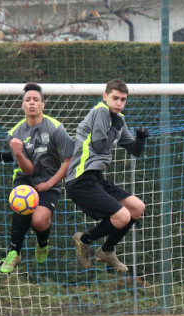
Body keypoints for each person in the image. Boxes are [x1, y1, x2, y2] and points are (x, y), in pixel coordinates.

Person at [65, 79, 149, 272]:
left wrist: (141, 138)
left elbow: (134, 150)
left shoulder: (118, 119)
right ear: (105, 97)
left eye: (123, 99)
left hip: (96, 178)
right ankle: (84, 240)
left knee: (137, 208)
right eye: (115, 98)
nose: (119, 103)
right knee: (122, 216)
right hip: (80, 179)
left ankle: (107, 250)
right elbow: (99, 146)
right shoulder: (101, 111)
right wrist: (116, 126)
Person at [0, 82, 74, 273]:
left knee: (39, 221)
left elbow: (69, 161)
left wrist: (50, 183)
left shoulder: (56, 128)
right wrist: (19, 153)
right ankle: (14, 253)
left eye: (36, 100)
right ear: (22, 105)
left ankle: (42, 243)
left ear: (43, 104)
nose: (32, 103)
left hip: (50, 179)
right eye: (27, 100)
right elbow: (28, 170)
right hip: (25, 178)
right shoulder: (14, 133)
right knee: (22, 203)